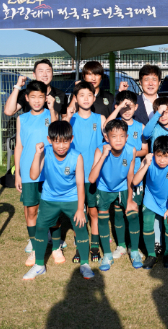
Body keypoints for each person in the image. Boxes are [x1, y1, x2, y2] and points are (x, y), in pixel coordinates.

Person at [23, 121, 93, 281]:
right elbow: (33, 176)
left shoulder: (77, 156)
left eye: (65, 141)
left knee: (81, 227)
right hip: (49, 198)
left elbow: (80, 184)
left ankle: (85, 264)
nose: (61, 145)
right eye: (57, 141)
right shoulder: (45, 152)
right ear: (49, 140)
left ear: (71, 139)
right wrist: (36, 154)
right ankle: (39, 265)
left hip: (72, 198)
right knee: (40, 229)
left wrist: (80, 208)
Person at [88, 119, 142, 271]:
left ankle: (135, 251)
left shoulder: (131, 150)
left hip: (123, 187)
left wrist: (130, 199)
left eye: (122, 136)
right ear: (107, 138)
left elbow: (130, 176)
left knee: (132, 214)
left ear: (127, 137)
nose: (118, 140)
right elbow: (92, 179)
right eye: (114, 136)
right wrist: (104, 156)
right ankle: (107, 254)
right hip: (104, 188)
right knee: (103, 218)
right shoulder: (100, 150)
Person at [14, 80, 56, 266]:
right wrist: (17, 173)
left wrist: (53, 108)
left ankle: (55, 246)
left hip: (49, 172)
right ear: (27, 98)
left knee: (52, 209)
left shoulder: (51, 114)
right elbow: (19, 146)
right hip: (28, 171)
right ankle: (34, 243)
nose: (37, 101)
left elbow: (58, 133)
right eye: (33, 97)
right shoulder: (21, 119)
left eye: (41, 97)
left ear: (46, 97)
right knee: (31, 209)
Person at [65, 81, 106, 263]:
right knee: (78, 211)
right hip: (74, 175)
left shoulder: (100, 119)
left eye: (89, 95)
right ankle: (81, 244)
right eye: (81, 95)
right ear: (75, 98)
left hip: (94, 175)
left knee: (93, 212)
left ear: (94, 97)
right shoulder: (70, 119)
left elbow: (107, 141)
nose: (86, 99)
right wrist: (67, 115)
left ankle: (95, 245)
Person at [133, 135, 168, 269]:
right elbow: (135, 181)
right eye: (159, 156)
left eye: (166, 156)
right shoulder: (149, 161)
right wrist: (146, 164)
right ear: (153, 153)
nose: (162, 160)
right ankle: (151, 255)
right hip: (151, 197)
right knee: (147, 224)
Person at [109, 90, 149, 207]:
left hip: (135, 171)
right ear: (118, 107)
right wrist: (118, 108)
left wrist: (131, 154)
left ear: (136, 107)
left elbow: (145, 150)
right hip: (117, 171)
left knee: (134, 207)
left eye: (129, 108)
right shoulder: (114, 124)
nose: (126, 111)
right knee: (118, 207)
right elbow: (105, 126)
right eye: (123, 108)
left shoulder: (141, 126)